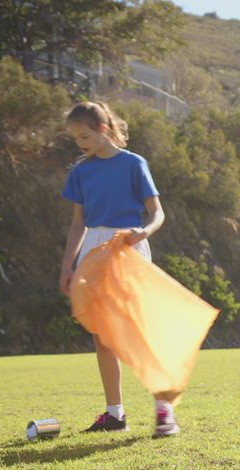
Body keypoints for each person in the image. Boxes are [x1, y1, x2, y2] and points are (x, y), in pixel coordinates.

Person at [58, 101, 177, 437]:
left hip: (128, 247)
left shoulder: (133, 164)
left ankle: (164, 411)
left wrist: (145, 231)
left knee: (141, 330)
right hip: (93, 251)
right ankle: (115, 415)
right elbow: (77, 224)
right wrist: (68, 266)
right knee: (103, 335)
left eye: (84, 136)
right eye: (75, 138)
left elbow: (157, 213)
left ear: (103, 129)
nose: (80, 143)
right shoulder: (80, 171)